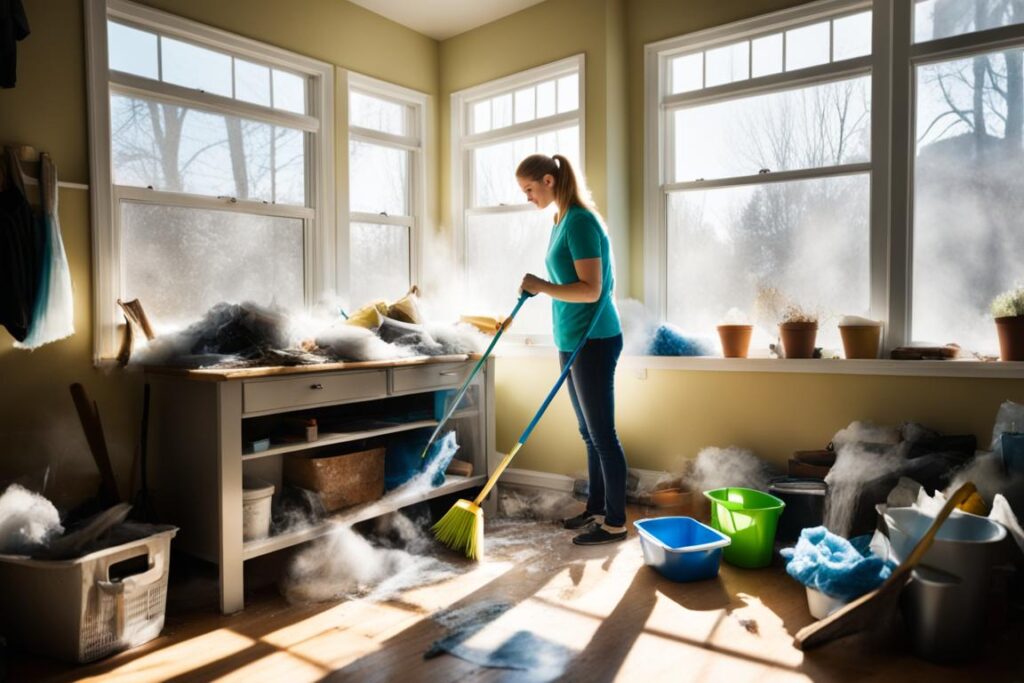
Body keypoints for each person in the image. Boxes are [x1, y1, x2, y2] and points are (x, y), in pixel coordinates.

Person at [515, 153, 628, 545]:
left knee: (602, 434)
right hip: (571, 338)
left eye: (529, 189)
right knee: (588, 433)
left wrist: (541, 285)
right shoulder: (559, 220)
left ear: (549, 180)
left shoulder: (580, 220)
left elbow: (592, 289)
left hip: (594, 338)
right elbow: (569, 283)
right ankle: (596, 509)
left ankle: (615, 522)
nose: (528, 197)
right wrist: (538, 286)